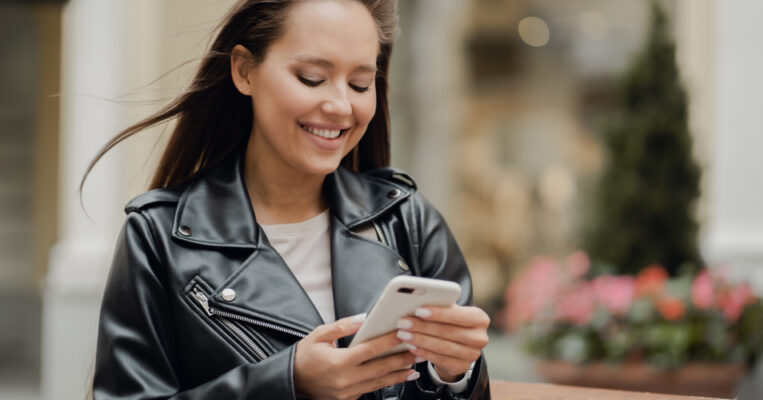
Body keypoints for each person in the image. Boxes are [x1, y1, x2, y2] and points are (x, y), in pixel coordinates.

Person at [87, 0, 491, 399]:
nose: (340, 106)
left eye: (360, 84)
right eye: (312, 78)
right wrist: (287, 383)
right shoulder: (159, 237)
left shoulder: (407, 221)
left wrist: (456, 375)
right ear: (244, 71)